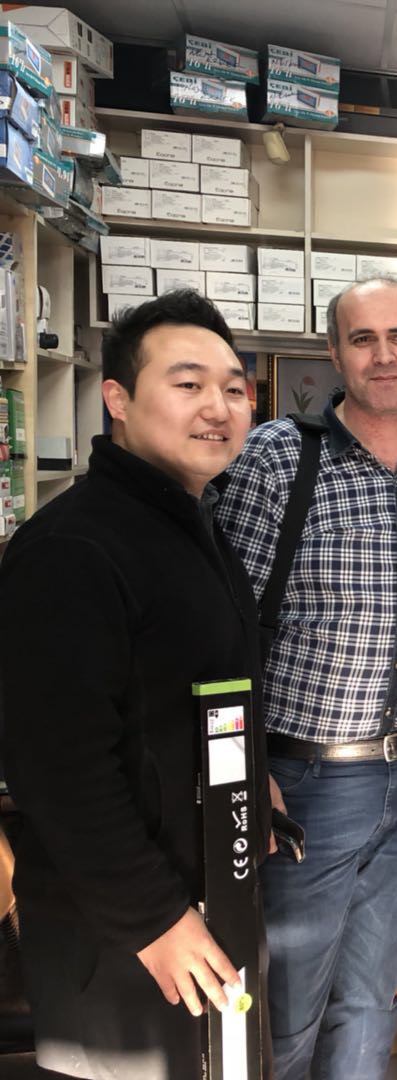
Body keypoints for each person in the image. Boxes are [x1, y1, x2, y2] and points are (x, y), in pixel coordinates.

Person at [215, 277, 397, 1079]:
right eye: (362, 339)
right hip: (306, 786)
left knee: (374, 999)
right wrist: (249, 767)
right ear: (334, 355)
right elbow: (220, 627)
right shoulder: (274, 460)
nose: (383, 356)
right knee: (286, 1011)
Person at [0, 291, 265, 1079]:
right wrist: (154, 920)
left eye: (233, 387)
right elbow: (59, 768)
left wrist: (255, 782)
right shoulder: (72, 547)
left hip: (203, 894)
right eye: (188, 384)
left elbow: (198, 691)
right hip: (124, 936)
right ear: (117, 399)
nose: (218, 406)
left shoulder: (191, 522)